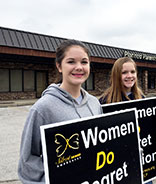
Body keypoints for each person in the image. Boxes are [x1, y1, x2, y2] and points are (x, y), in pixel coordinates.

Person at [18, 39, 102, 183]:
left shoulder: (95, 103)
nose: (79, 67)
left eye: (84, 62)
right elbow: (28, 162)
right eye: (71, 62)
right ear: (59, 66)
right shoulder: (43, 108)